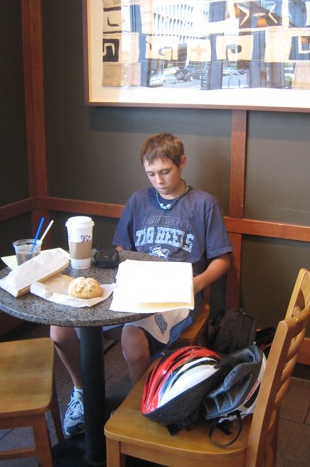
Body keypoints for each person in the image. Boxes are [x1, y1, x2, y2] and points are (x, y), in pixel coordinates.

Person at [50, 132, 233, 436]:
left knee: (132, 336)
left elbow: (222, 260)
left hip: (177, 292)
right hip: (135, 284)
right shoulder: (138, 200)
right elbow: (122, 248)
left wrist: (197, 283)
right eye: (151, 174)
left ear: (182, 163)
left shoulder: (204, 204)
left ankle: (142, 407)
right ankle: (83, 394)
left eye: (165, 171)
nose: (158, 180)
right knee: (61, 328)